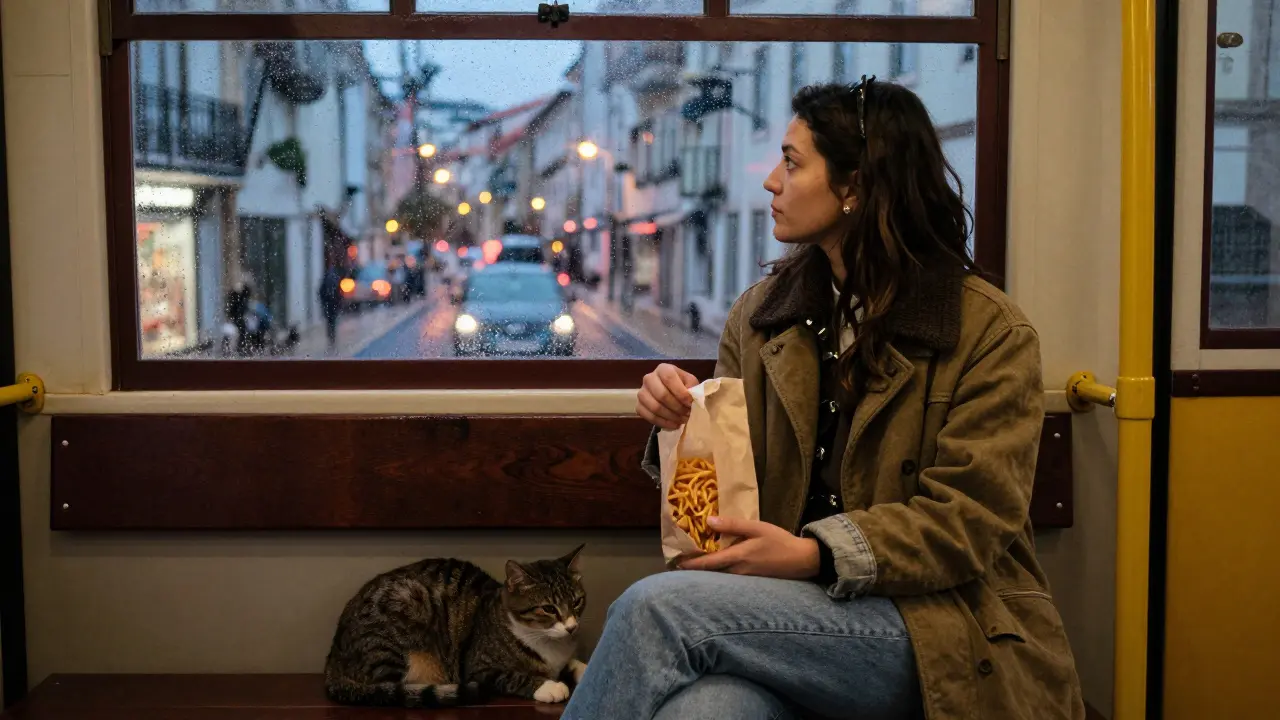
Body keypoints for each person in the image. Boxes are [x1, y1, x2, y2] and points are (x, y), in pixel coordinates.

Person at [562, 79, 1085, 720]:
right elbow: (727, 481)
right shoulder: (761, 318)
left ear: (856, 187)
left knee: (656, 608)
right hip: (779, 619)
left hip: (933, 626)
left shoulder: (989, 332)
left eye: (792, 162)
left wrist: (816, 552)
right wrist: (678, 416)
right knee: (705, 711)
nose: (771, 183)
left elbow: (970, 521)